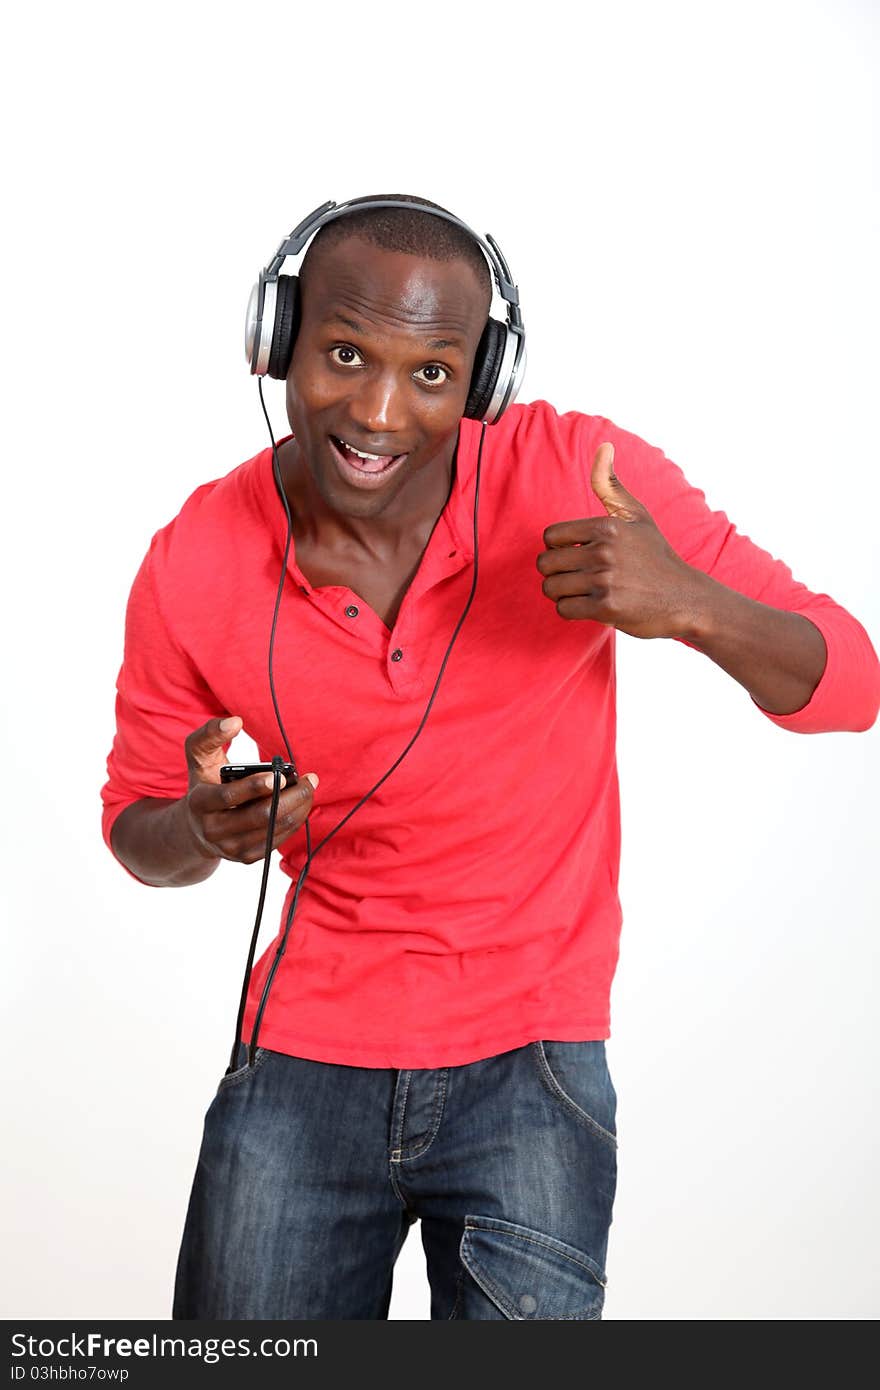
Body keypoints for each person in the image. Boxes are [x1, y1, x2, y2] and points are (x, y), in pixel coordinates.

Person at [101, 194, 880, 1321]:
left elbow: (851, 682)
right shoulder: (193, 557)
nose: (377, 408)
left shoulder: (578, 475)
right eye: (343, 352)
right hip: (300, 1066)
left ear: (484, 376)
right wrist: (201, 826)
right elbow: (136, 828)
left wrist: (693, 603)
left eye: (431, 371)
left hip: (533, 1065)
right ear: (276, 344)